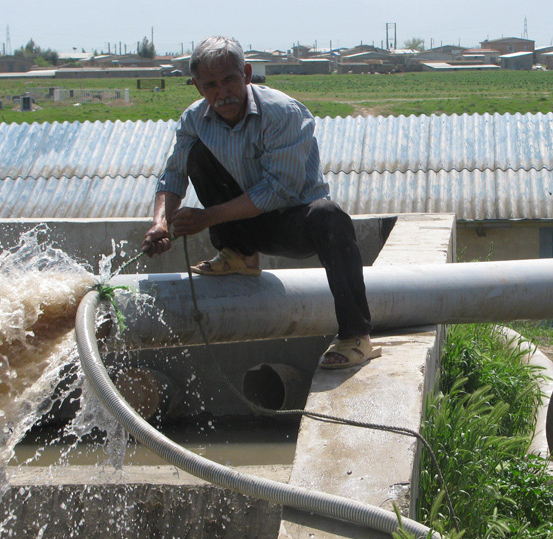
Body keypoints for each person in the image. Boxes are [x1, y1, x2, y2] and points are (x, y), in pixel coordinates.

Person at [141, 36, 380, 369]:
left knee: (330, 217)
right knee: (195, 155)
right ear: (198, 88)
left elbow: (279, 190)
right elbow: (174, 174)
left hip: (290, 221)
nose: (222, 93)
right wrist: (161, 222)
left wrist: (207, 218)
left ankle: (357, 336)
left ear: (247, 74)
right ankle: (238, 254)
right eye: (210, 85)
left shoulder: (282, 113)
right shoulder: (194, 119)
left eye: (229, 80)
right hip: (242, 219)